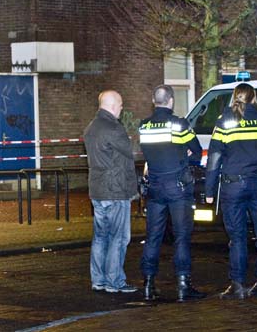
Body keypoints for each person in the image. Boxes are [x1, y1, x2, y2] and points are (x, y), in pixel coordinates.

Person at [205, 83, 257, 299]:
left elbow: (214, 159)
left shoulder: (225, 121)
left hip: (234, 186)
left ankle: (237, 285)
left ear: (234, 97)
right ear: (254, 97)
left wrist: (209, 191)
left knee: (237, 237)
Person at [139, 84, 205, 302]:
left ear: (153, 100)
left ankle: (148, 284)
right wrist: (183, 152)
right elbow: (196, 150)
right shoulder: (179, 124)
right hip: (178, 189)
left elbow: (150, 153)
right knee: (182, 237)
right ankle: (183, 285)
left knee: (153, 237)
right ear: (171, 101)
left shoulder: (144, 126)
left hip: (155, 188)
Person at [84, 90, 139, 294]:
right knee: (119, 237)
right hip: (115, 191)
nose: (122, 108)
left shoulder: (91, 127)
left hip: (97, 190)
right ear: (114, 105)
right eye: (121, 104)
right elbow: (131, 150)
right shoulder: (113, 128)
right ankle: (114, 281)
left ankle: (98, 279)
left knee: (100, 236)